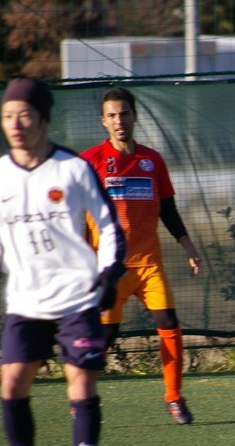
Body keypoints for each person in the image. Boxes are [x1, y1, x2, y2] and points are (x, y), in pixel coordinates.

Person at [0, 76, 126, 446]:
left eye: (24, 115)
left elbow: (108, 225)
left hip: (76, 297)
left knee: (81, 383)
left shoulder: (72, 169)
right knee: (12, 384)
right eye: (7, 116)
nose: (15, 124)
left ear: (43, 119)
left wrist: (110, 271)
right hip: (25, 302)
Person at [81, 87, 200, 425]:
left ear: (135, 116)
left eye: (125, 113)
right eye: (112, 115)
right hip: (108, 269)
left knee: (169, 324)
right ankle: (82, 396)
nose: (119, 120)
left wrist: (188, 246)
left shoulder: (152, 160)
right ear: (103, 121)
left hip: (149, 265)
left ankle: (174, 398)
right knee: (103, 340)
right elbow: (75, 212)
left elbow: (168, 208)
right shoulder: (89, 161)